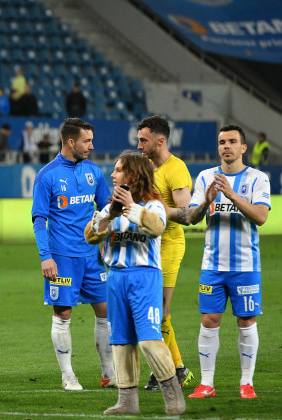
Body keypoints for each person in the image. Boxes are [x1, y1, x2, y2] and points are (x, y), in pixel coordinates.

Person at [85, 152, 186, 415]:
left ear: (133, 174)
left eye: (118, 170)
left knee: (149, 341)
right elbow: (89, 236)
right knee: (120, 342)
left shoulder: (154, 204)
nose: (113, 174)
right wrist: (106, 219)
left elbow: (156, 228)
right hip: (116, 277)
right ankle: (127, 401)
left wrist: (131, 207)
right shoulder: (111, 206)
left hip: (144, 278)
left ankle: (173, 395)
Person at [182, 125, 270, 399]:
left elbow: (261, 216)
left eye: (232, 141)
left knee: (246, 320)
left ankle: (247, 382)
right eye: (222, 142)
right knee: (209, 320)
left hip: (245, 265)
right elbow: (192, 218)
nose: (226, 146)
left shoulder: (257, 179)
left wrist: (232, 195)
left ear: (243, 147)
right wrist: (206, 201)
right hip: (212, 265)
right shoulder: (206, 177)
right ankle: (207, 383)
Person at [31, 118, 115, 390]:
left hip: (93, 257)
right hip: (62, 258)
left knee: (105, 312)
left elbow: (107, 209)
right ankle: (68, 375)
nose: (92, 145)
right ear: (70, 142)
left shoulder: (94, 171)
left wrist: (107, 243)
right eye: (86, 141)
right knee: (63, 314)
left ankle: (108, 373)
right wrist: (46, 257)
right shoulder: (48, 175)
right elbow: (39, 219)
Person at [135, 115, 194, 390]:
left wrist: (156, 211)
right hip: (147, 244)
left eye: (143, 140)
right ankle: (175, 368)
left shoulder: (176, 169)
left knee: (159, 309)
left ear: (160, 140)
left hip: (169, 243)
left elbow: (187, 214)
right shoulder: (144, 167)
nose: (139, 145)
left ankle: (171, 369)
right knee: (154, 310)